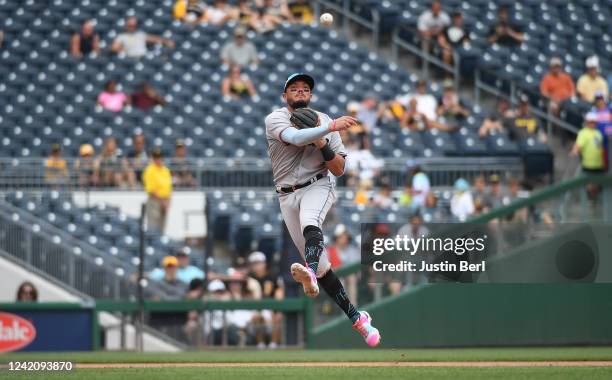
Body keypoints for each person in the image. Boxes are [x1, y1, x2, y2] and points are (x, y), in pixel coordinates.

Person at [264, 73, 380, 346]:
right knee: (325, 267)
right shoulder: (275, 118)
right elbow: (294, 136)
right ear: (285, 96)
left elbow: (339, 169)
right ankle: (358, 318)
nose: (300, 92)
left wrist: (325, 141)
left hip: (318, 185)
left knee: (310, 222)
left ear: (311, 96)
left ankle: (310, 273)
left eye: (305, 89)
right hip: (286, 194)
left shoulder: (327, 121)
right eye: (294, 89)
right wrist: (326, 131)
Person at [246, 251, 284, 348]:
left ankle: (274, 344)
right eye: (254, 264)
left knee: (278, 315)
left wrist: (276, 306)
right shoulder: (249, 277)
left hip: (271, 306)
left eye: (259, 263)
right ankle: (260, 344)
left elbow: (279, 291)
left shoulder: (272, 275)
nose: (257, 266)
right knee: (257, 316)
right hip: (255, 307)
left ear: (264, 263)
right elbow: (247, 296)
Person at [143, 148, 173, 233]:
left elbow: (169, 188)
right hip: (155, 202)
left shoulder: (165, 170)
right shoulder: (149, 170)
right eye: (156, 157)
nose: (158, 160)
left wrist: (168, 202)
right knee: (153, 227)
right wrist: (162, 201)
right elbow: (151, 190)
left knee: (162, 228)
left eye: (159, 157)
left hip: (165, 201)